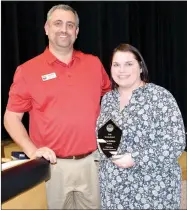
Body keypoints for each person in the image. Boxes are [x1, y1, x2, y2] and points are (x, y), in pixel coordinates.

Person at [4, 4, 111, 209]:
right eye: (58, 23)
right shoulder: (27, 71)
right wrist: (31, 151)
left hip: (92, 163)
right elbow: (11, 118)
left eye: (70, 25)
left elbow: (112, 101)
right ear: (46, 28)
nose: (64, 29)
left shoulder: (94, 64)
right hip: (53, 168)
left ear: (77, 32)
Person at [96, 43, 186, 209]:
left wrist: (135, 158)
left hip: (153, 190)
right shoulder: (108, 99)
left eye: (129, 64)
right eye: (116, 65)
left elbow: (176, 142)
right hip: (113, 188)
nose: (121, 70)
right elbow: (104, 134)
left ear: (141, 68)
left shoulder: (160, 97)